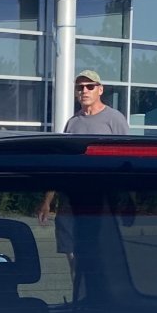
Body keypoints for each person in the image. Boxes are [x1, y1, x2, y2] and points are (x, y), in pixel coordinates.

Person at [36, 70, 129, 279]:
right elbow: (62, 163)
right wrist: (47, 200)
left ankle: (97, 299)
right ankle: (78, 296)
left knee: (98, 254)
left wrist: (125, 198)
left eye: (90, 86)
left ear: (100, 90)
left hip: (102, 200)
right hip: (71, 199)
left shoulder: (114, 119)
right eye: (80, 87)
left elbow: (127, 160)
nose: (84, 91)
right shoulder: (72, 123)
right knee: (72, 253)